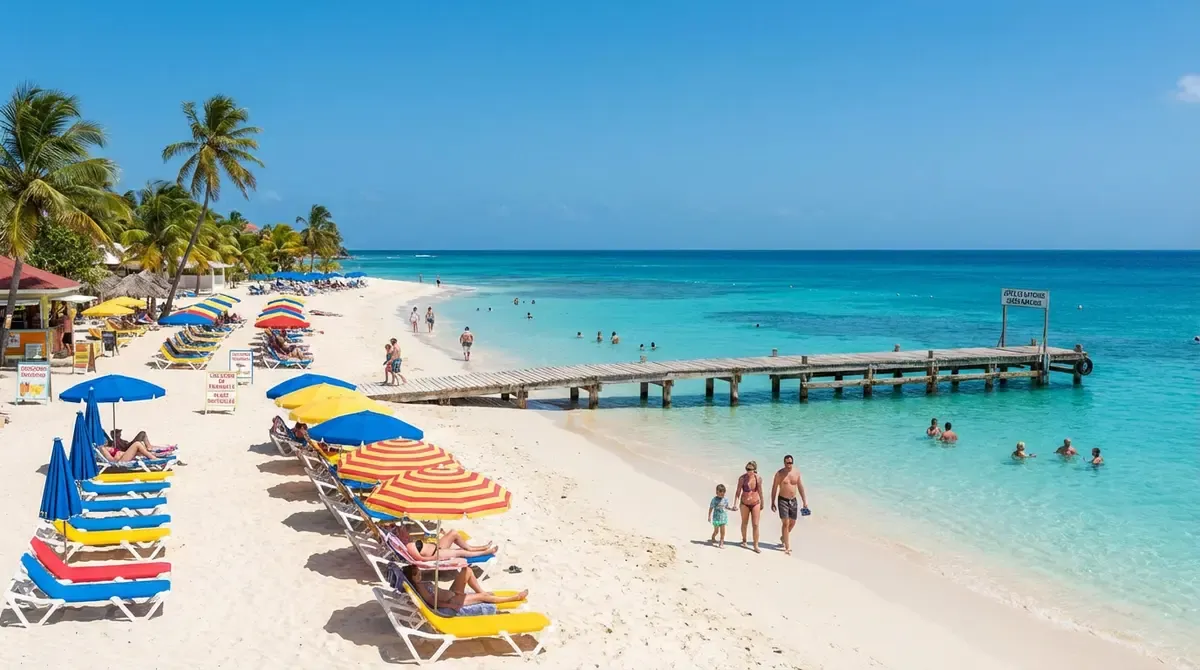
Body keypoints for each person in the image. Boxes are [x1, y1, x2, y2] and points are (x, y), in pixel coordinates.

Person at [401, 564, 526, 617]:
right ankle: (514, 598)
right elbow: (433, 602)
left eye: (418, 571)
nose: (420, 573)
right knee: (483, 598)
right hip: (453, 600)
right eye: (416, 573)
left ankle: (480, 591)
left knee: (467, 570)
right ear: (412, 577)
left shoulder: (420, 583)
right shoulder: (420, 587)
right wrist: (450, 604)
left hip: (452, 594)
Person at [770, 455, 808, 555]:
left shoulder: (796, 473)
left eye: (790, 463)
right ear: (784, 463)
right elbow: (774, 488)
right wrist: (772, 502)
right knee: (785, 523)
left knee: (793, 522)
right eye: (787, 463)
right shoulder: (779, 474)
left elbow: (800, 487)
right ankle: (787, 547)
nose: (789, 465)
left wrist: (804, 501)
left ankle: (783, 537)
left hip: (793, 500)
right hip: (782, 500)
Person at [390, 525, 496, 560]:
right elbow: (421, 559)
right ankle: (484, 552)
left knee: (453, 533)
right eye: (403, 530)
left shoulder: (409, 541)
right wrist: (436, 558)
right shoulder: (409, 546)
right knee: (459, 552)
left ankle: (473, 548)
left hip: (437, 547)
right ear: (401, 536)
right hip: (436, 553)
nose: (406, 531)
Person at [734, 461, 763, 553]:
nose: (748, 471)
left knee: (755, 524)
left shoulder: (758, 478)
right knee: (744, 522)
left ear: (755, 470)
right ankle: (744, 540)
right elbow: (738, 491)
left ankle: (755, 545)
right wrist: (735, 503)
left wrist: (762, 502)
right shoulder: (742, 478)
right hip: (744, 503)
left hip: (755, 502)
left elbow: (760, 491)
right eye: (747, 469)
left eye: (750, 469)